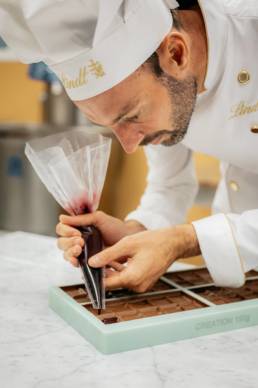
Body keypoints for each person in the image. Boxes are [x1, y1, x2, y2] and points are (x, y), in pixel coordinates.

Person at [1, 0, 258, 292]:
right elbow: (169, 187)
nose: (129, 145)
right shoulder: (157, 90)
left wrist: (185, 240)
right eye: (112, 125)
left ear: (176, 53)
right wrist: (134, 233)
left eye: (131, 116)